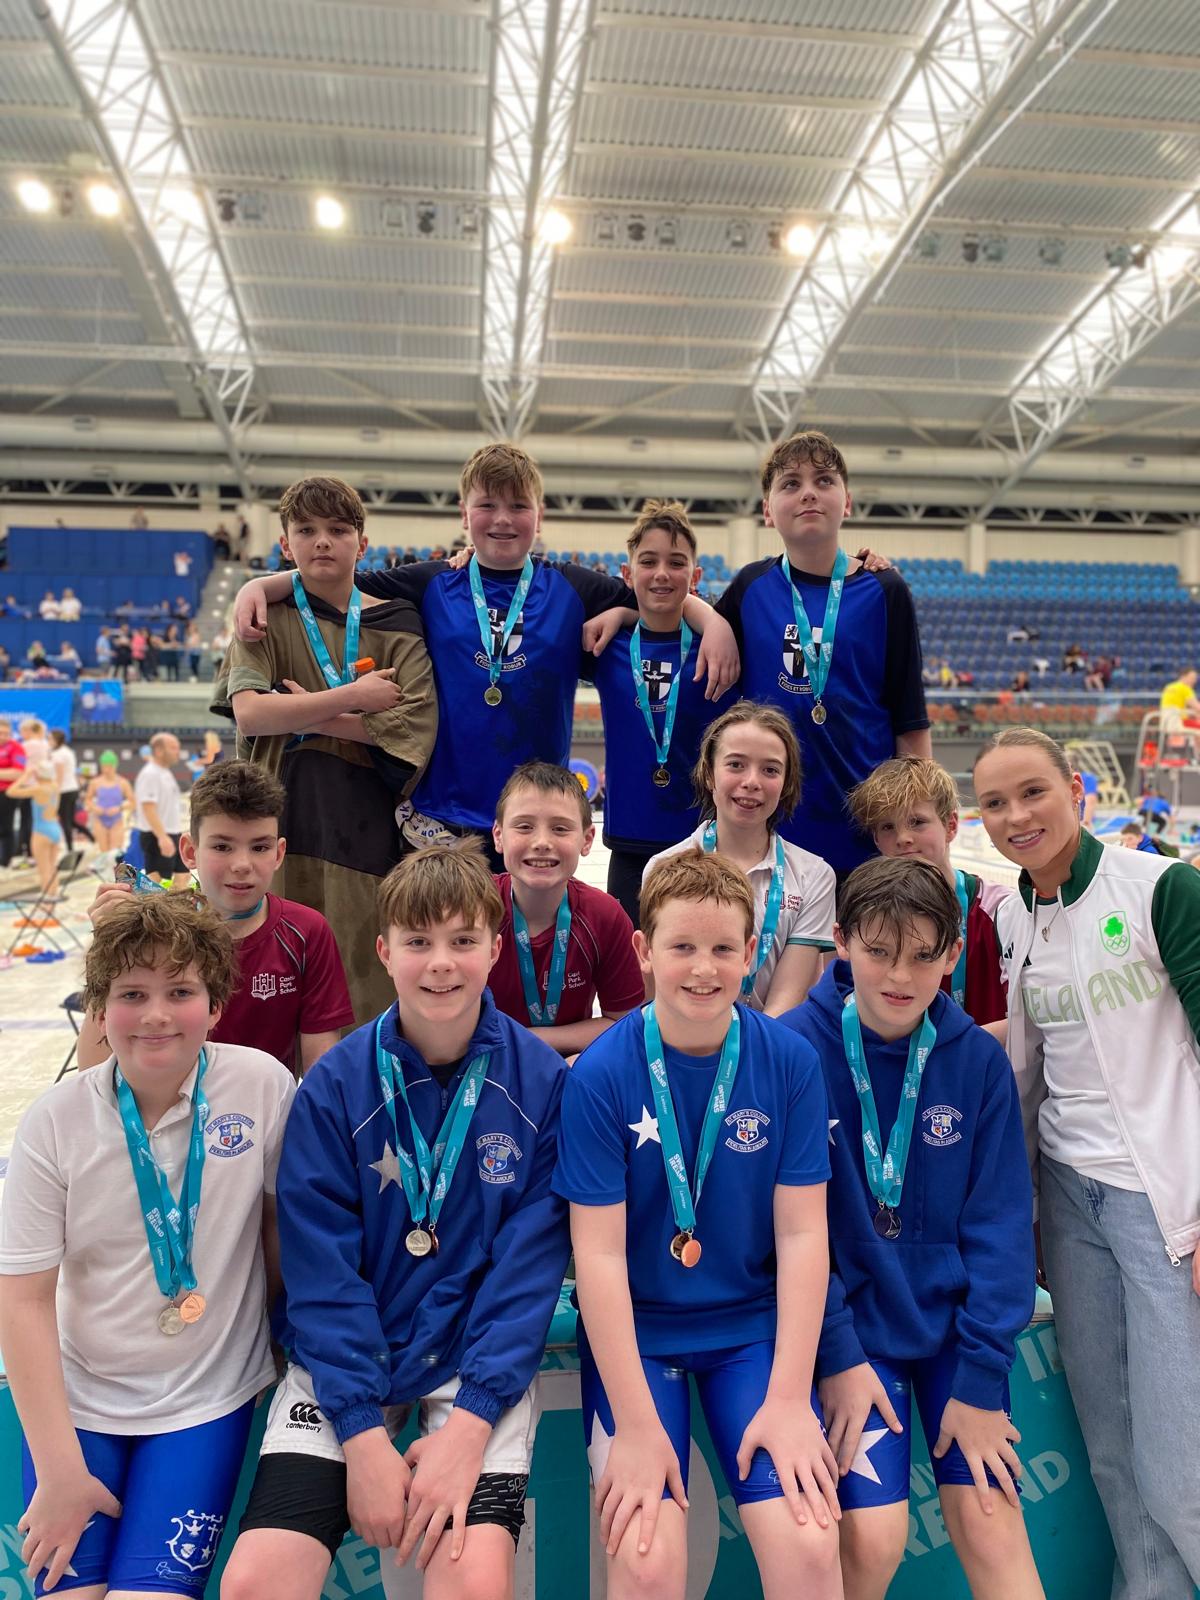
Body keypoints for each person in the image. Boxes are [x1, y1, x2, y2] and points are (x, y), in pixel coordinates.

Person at [219, 842, 570, 1600]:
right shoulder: (334, 1088)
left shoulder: (541, 1084)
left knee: (471, 1587)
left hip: (470, 1365)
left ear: (494, 949)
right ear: (384, 951)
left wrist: (471, 1423)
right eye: (418, 942)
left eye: (462, 941)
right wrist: (362, 1435)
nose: (440, 963)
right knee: (257, 1581)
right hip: (351, 1364)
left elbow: (527, 1274)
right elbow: (322, 1276)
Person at [553, 849, 841, 1600]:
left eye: (722, 949)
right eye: (682, 947)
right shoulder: (599, 1076)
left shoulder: (789, 1062)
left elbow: (805, 1235)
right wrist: (641, 1430)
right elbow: (599, 1260)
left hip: (751, 1336)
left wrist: (787, 1398)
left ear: (751, 955)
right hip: (639, 1340)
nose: (703, 969)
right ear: (645, 952)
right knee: (646, 1562)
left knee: (811, 1548)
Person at [0, 893, 295, 1598]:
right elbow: (22, 1300)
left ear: (217, 1005)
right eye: (132, 993)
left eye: (181, 992)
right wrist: (60, 1468)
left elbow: (285, 1229)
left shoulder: (261, 1089)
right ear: (100, 1009)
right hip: (76, 1410)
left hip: (203, 1402)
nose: (157, 1015)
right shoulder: (56, 1122)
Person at [231, 444, 738, 852]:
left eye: (519, 506)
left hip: (534, 821)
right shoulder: (431, 581)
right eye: (487, 505)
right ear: (463, 512)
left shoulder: (573, 587)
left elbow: (656, 594)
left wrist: (707, 617)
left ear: (540, 517)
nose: (502, 519)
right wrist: (257, 588)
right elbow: (340, 581)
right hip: (441, 817)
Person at [974, 726, 1200, 1597]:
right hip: (1071, 1203)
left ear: (1078, 787)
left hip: (1162, 1204)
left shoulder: (1161, 890)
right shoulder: (1016, 917)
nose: (1015, 815)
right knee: (1111, 1456)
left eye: (1033, 792)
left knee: (1181, 1473)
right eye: (994, 803)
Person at [780, 856, 1042, 1600]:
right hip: (850, 1338)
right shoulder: (794, 1052)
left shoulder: (975, 1063)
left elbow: (1000, 1230)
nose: (901, 975)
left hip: (956, 1341)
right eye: (879, 951)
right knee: (873, 1536)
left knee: (991, 1517)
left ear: (953, 955)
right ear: (840, 941)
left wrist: (984, 1378)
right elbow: (785, 1235)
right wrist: (834, 1354)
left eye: (925, 956)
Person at [214, 474, 438, 1021]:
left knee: (362, 985)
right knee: (274, 980)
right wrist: (355, 699)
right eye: (306, 530)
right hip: (279, 825)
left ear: (362, 544)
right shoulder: (263, 618)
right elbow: (250, 712)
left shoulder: (396, 622)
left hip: (366, 831)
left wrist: (309, 713)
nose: (322, 541)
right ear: (285, 544)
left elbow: (416, 730)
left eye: (337, 530)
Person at [714, 430, 929, 876]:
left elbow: (909, 719)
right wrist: (705, 616)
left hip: (865, 830)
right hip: (773, 830)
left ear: (847, 502)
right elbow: (674, 626)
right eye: (790, 484)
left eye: (824, 481)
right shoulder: (749, 588)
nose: (808, 492)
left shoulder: (884, 589)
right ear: (767, 511)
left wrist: (917, 824)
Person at [78, 761, 355, 1078]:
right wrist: (108, 946)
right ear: (190, 851)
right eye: (222, 846)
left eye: (259, 847)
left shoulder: (306, 932)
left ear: (278, 854)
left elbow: (321, 1064)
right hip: (168, 1119)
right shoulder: (156, 933)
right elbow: (92, 1072)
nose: (242, 864)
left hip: (269, 1117)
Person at [585, 498, 734, 922]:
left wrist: (714, 620)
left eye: (677, 562)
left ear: (696, 575)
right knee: (634, 975)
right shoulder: (606, 645)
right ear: (628, 574)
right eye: (648, 562)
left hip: (704, 844)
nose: (663, 573)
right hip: (629, 844)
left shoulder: (720, 647)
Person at [644, 702, 835, 1015]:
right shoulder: (663, 868)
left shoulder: (814, 875)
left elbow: (789, 996)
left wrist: (754, 1054)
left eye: (770, 770)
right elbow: (665, 986)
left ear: (786, 783)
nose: (752, 782)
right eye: (735, 765)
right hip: (692, 1037)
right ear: (708, 773)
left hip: (773, 1041)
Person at [489, 761, 644, 1056]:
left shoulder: (604, 916)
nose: (542, 842)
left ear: (587, 840)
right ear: (498, 836)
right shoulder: (471, 908)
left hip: (565, 1062)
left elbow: (625, 1024)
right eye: (524, 827)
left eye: (560, 829)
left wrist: (530, 1041)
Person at [847, 756, 1010, 1027]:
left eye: (917, 822)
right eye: (888, 827)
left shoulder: (999, 910)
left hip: (983, 1063)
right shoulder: (864, 918)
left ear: (951, 826)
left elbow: (1028, 1021)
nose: (903, 838)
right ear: (876, 838)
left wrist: (959, 1051)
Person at [134, 731, 189, 887]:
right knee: (154, 881)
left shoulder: (165, 773)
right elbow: (148, 808)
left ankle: (174, 911)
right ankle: (145, 910)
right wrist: (162, 837)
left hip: (173, 833)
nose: (177, 751)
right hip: (157, 835)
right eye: (173, 748)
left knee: (183, 877)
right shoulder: (150, 774)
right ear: (158, 751)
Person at [8, 759, 61, 895]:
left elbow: (10, 791)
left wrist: (25, 776)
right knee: (52, 868)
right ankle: (53, 900)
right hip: (55, 829)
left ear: (38, 774)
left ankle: (46, 903)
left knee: (44, 870)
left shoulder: (38, 789)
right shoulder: (55, 786)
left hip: (41, 831)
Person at [85, 749, 134, 856]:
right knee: (103, 853)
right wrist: (94, 808)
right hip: (99, 820)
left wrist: (119, 808)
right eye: (104, 767)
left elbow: (133, 802)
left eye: (109, 767)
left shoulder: (123, 783)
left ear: (115, 766)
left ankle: (114, 872)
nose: (106, 770)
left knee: (114, 853)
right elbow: (87, 799)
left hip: (116, 820)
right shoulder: (95, 782)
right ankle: (105, 872)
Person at [0, 716, 27, 869]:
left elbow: (18, 773)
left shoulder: (17, 747)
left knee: (6, 827)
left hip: (8, 793)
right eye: (0, 733)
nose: (3, 736)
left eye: (6, 733)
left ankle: (5, 860)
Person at [48, 729, 78, 849]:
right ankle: (89, 837)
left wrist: (55, 793)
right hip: (73, 788)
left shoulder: (58, 754)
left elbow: (59, 776)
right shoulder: (68, 751)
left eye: (50, 738)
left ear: (56, 740)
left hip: (63, 791)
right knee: (70, 821)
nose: (48, 741)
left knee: (65, 821)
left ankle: (70, 847)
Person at [1159, 666, 1200, 733]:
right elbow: (1197, 707)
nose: (1194, 681)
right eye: (1192, 678)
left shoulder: (1168, 686)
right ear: (1183, 676)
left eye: (1195, 679)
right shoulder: (1185, 688)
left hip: (1165, 723)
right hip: (1179, 722)